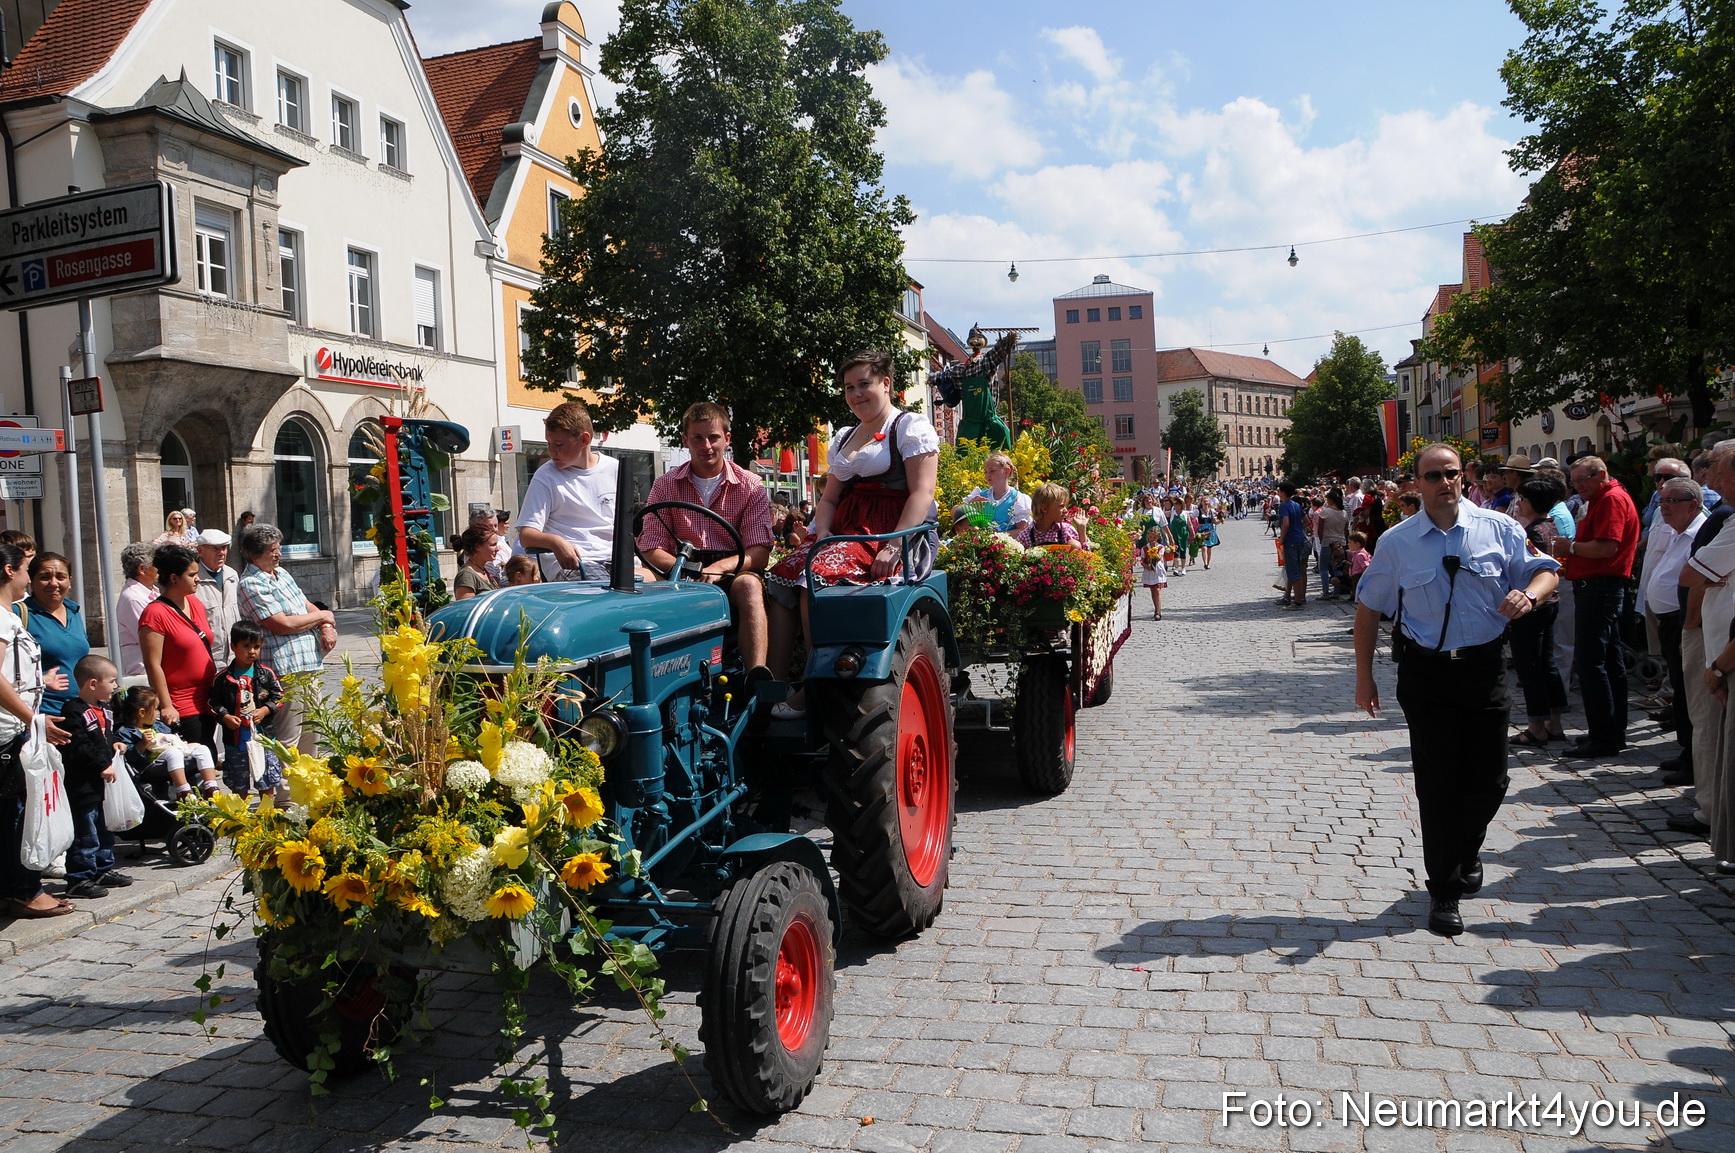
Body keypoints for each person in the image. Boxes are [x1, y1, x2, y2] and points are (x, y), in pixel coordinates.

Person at [1354, 443, 1560, 936]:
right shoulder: (1397, 542)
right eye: (1432, 476)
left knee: (1490, 781)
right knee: (1438, 782)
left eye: (1451, 474)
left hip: (1484, 670)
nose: (1444, 483)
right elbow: (1368, 610)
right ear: (1416, 483)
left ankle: (1467, 849)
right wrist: (1364, 677)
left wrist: (1528, 596)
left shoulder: (1501, 529)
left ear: (1462, 479)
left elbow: (1548, 570)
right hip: (1426, 676)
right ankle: (1444, 890)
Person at [765, 350, 940, 718]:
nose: (856, 393)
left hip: (892, 530)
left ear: (886, 384)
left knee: (809, 577)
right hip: (846, 530)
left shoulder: (908, 427)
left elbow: (921, 493)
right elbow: (828, 499)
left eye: (864, 384)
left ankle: (816, 686)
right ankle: (774, 683)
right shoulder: (845, 436)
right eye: (849, 387)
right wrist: (823, 534)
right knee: (781, 577)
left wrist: (894, 546)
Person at [638, 402, 776, 672]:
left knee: (749, 586)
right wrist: (686, 569)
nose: (706, 446)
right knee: (636, 579)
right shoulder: (664, 484)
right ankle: (637, 672)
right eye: (698, 438)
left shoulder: (750, 485)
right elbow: (651, 546)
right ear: (685, 440)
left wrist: (720, 568)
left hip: (731, 571)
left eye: (713, 437)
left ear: (727, 439)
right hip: (677, 568)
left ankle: (755, 677)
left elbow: (759, 551)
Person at [0, 541, 74, 919]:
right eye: (29, 570)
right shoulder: (1, 616)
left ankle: (11, 889)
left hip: (13, 728)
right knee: (14, 814)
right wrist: (33, 718)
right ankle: (23, 891)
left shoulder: (8, 614)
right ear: (10, 571)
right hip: (7, 732)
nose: (32, 578)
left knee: (9, 811)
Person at [1550, 455, 1640, 758]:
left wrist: (1570, 547)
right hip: (1599, 586)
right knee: (1608, 662)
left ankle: (1604, 736)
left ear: (1600, 475)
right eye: (1573, 482)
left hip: (1600, 586)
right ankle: (1609, 731)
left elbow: (1606, 547)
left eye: (1582, 480)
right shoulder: (1604, 497)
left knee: (1592, 662)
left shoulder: (1611, 499)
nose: (1578, 487)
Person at [1635, 476, 1708, 816]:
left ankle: (1693, 761)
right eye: (1661, 502)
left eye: (1671, 502)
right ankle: (1685, 751)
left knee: (1688, 690)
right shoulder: (1677, 532)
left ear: (1692, 505)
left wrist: (1687, 624)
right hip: (1668, 620)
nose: (1662, 508)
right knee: (1679, 688)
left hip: (1684, 620)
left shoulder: (1699, 532)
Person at [236, 524, 335, 757]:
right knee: (289, 734)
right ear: (254, 555)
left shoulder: (283, 574)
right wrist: (322, 615)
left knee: (315, 730)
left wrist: (326, 626)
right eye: (272, 550)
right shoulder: (251, 583)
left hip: (309, 663)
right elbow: (282, 625)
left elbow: (305, 606)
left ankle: (309, 782)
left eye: (278, 548)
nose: (278, 554)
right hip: (284, 670)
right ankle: (284, 790)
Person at [138, 544, 219, 795]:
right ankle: (192, 822)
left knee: (209, 760)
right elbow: (154, 664)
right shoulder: (155, 614)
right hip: (181, 702)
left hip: (207, 699)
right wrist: (166, 704)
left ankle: (210, 818)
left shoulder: (194, 604)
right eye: (192, 575)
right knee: (191, 765)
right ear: (173, 578)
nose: (198, 579)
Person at [517, 400, 619, 581]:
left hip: (619, 560)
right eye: (548, 444)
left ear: (584, 440)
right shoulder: (546, 475)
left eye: (559, 444)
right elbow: (526, 534)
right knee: (603, 589)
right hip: (577, 563)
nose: (551, 451)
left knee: (662, 587)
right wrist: (555, 542)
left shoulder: (615, 469)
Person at [57, 654, 131, 899]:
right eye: (111, 681)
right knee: (85, 832)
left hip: (100, 785)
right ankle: (79, 877)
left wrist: (116, 744)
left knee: (103, 829)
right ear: (92, 684)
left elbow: (103, 739)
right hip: (82, 785)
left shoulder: (103, 709)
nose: (115, 686)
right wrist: (101, 764)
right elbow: (79, 746)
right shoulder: (73, 711)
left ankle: (102, 868)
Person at [1506, 477, 1571, 747]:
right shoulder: (1550, 526)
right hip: (1550, 602)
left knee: (1529, 666)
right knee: (1547, 663)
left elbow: (1530, 568)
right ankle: (1554, 723)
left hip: (1532, 603)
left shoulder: (1533, 532)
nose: (1519, 504)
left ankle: (1536, 726)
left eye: (1522, 499)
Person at [211, 619, 285, 799]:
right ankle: (240, 817)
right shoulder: (222, 678)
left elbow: (280, 696)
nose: (252, 651)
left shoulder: (266, 674)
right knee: (239, 782)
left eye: (256, 647)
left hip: (263, 738)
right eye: (246, 646)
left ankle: (267, 815)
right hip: (235, 742)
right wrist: (225, 716)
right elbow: (213, 703)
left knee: (266, 778)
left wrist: (265, 710)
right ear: (233, 646)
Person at [117, 686, 215, 799]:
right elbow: (130, 758)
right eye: (155, 709)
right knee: (173, 753)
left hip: (175, 759)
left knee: (202, 748)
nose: (157, 713)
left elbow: (171, 739)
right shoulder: (126, 732)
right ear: (142, 713)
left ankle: (211, 787)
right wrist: (142, 744)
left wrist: (174, 731)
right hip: (152, 766)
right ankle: (183, 790)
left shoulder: (158, 726)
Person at [23, 552, 83, 718]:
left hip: (78, 712)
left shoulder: (74, 611)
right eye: (45, 577)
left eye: (61, 576)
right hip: (44, 713)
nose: (54, 583)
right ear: (31, 582)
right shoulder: (20, 615)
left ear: (69, 581)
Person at [952, 451, 1033, 536]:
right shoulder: (981, 495)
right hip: (980, 545)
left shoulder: (1017, 498)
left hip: (1007, 546)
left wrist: (995, 537)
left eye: (992, 471)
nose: (988, 475)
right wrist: (969, 506)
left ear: (1007, 471)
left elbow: (1022, 530)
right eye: (986, 472)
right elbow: (954, 513)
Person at [192, 529, 241, 669]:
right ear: (200, 551)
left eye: (224, 547)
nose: (221, 552)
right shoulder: (193, 579)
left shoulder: (232, 575)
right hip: (208, 658)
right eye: (215, 548)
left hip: (234, 657)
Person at [116, 543, 159, 678]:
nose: (161, 568)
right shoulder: (133, 598)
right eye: (157, 564)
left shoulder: (153, 590)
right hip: (143, 672)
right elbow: (151, 638)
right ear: (142, 569)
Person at [1015, 484, 1093, 549]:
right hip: (1037, 567)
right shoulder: (1027, 535)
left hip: (1064, 567)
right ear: (1044, 508)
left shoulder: (1066, 530)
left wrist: (1082, 530)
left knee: (1074, 545)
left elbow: (1086, 559)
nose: (1066, 510)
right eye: (1061, 506)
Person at [1275, 481, 1308, 608]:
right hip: (1300, 539)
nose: (1278, 493)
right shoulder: (1296, 504)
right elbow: (1306, 521)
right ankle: (1299, 598)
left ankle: (1298, 601)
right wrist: (1298, 529)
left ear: (1283, 492)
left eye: (1279, 491)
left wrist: (1282, 538)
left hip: (1291, 541)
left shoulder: (1284, 506)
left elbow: (1286, 523)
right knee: (1299, 570)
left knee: (1293, 572)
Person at [450, 525, 500, 600]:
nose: (497, 549)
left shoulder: (484, 570)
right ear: (477, 547)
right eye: (493, 545)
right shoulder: (467, 576)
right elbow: (466, 608)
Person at [1316, 489, 1348, 600]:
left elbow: (1320, 529)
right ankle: (1336, 591)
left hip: (1328, 541)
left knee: (1324, 567)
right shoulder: (1343, 513)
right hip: (1341, 541)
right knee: (1338, 566)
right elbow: (1345, 530)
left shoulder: (1325, 512)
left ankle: (1325, 592)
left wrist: (1321, 540)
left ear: (1329, 500)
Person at [1139, 524, 1169, 620]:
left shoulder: (1160, 547)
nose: (1152, 539)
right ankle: (1156, 608)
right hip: (1149, 569)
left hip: (1157, 569)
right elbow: (1142, 560)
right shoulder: (1144, 548)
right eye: (1151, 537)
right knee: (1153, 590)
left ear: (1158, 537)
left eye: (1154, 537)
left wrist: (1154, 552)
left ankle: (1158, 611)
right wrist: (1146, 566)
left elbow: (1159, 558)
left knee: (1157, 589)